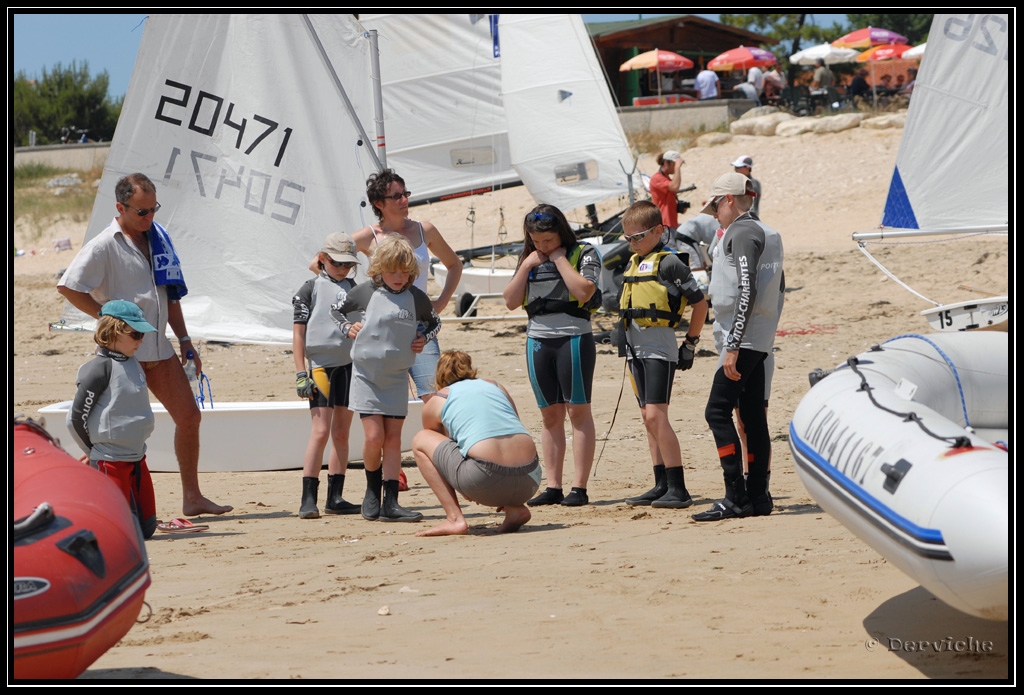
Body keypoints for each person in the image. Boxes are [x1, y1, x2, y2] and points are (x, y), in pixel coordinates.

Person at [57, 172, 232, 517]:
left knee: (190, 417)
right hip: (121, 356)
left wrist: (184, 340)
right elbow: (68, 286)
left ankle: (192, 497)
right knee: (115, 433)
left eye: (154, 209)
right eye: (142, 212)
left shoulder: (158, 239)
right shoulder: (104, 244)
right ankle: (89, 497)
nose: (150, 218)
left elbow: (170, 296)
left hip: (159, 349)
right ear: (120, 207)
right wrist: (107, 320)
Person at [692, 172, 784, 522]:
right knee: (751, 416)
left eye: (716, 205)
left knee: (716, 412)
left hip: (742, 338)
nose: (714, 213)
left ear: (729, 199)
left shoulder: (743, 232)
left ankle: (735, 496)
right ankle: (758, 496)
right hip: (758, 338)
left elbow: (747, 289)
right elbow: (777, 291)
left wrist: (733, 345)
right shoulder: (769, 233)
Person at [331, 235, 441, 522]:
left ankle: (390, 502)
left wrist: (422, 338)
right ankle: (371, 490)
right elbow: (335, 310)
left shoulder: (415, 297)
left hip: (396, 377)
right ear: (380, 268)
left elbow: (435, 322)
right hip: (367, 375)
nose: (398, 276)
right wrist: (347, 327)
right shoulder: (366, 291)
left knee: (393, 440)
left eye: (404, 272)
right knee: (374, 437)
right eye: (392, 271)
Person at [502, 204, 601, 507]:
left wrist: (559, 259)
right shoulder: (529, 258)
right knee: (550, 415)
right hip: (538, 341)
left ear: (561, 234)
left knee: (578, 411)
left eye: (548, 241)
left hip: (574, 337)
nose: (543, 247)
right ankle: (553, 486)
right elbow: (510, 302)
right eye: (537, 241)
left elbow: (583, 292)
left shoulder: (583, 253)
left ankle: (579, 488)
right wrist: (526, 266)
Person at [617, 201, 708, 508]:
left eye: (638, 237)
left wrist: (690, 344)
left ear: (659, 231)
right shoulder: (632, 262)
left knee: (657, 415)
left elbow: (700, 303)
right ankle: (661, 484)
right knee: (647, 418)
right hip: (634, 347)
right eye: (627, 238)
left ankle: (679, 488)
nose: (632, 243)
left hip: (659, 347)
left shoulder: (670, 263)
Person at [350, 168, 462, 403]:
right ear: (379, 203)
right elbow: (322, 263)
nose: (404, 200)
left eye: (405, 194)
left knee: (434, 395)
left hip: (419, 326)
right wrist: (356, 303)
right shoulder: (369, 236)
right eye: (396, 196)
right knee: (384, 399)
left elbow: (454, 265)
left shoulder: (424, 230)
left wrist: (440, 303)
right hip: (381, 328)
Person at [411, 350, 542, 536]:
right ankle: (515, 508)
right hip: (530, 479)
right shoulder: (496, 386)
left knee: (421, 439)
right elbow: (512, 425)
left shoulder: (439, 399)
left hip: (485, 479)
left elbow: (443, 448)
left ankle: (454, 519)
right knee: (501, 441)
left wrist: (465, 482)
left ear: (439, 375)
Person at [67, 299, 159, 538]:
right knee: (119, 532)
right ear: (112, 331)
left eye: (143, 335)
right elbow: (76, 418)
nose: (141, 341)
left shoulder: (133, 363)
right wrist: (93, 451)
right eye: (136, 334)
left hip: (138, 458)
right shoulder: (99, 368)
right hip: (110, 460)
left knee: (147, 530)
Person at [292, 232, 362, 519]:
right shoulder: (309, 289)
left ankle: (335, 497)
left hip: (349, 366)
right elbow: (298, 335)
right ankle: (308, 499)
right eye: (337, 264)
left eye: (348, 265)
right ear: (323, 259)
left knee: (342, 433)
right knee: (320, 432)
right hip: (320, 367)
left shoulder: (355, 288)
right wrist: (299, 373)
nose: (343, 270)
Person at [649, 150, 684, 232]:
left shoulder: (666, 179)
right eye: (674, 164)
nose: (676, 167)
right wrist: (677, 168)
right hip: (664, 224)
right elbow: (675, 186)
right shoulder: (657, 178)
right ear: (666, 163)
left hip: (671, 223)